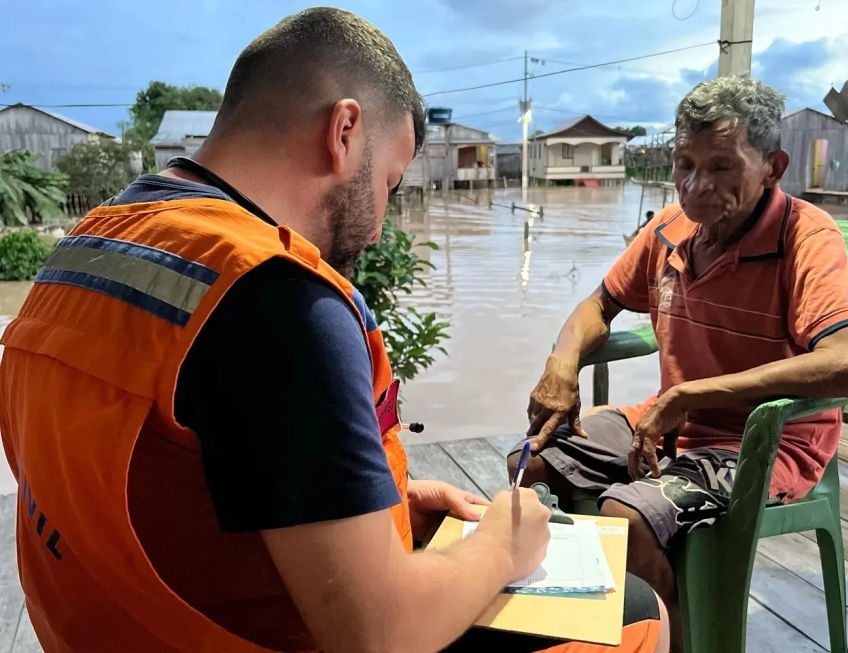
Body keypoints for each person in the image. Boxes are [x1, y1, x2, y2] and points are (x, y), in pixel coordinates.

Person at [0, 8, 667, 653]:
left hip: (106, 629)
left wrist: (381, 509)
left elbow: (170, 482)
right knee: (635, 610)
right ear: (344, 131)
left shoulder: (88, 246)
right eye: (388, 183)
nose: (377, 229)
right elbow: (381, 635)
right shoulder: (279, 299)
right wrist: (501, 546)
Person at [511, 75, 848, 651]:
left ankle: (676, 639)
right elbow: (598, 305)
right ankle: (578, 631)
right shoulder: (669, 229)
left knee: (627, 517)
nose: (697, 186)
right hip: (668, 421)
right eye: (685, 164)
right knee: (530, 463)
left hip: (765, 443)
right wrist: (563, 362)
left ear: (772, 167)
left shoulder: (806, 237)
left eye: (722, 167)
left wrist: (691, 394)